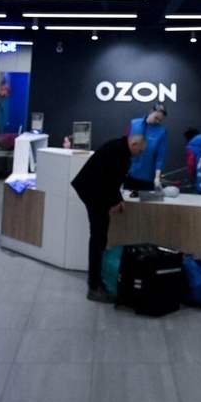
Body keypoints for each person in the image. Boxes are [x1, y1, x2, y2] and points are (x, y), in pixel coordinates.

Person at [71, 133, 147, 302]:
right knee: (98, 239)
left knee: (100, 237)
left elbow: (112, 181)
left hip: (91, 191)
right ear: (134, 144)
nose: (139, 154)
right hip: (93, 194)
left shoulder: (117, 147)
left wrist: (117, 200)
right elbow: (108, 180)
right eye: (140, 151)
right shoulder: (121, 155)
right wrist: (114, 202)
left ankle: (95, 281)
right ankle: (94, 286)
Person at [124, 103, 167, 191]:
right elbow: (124, 145)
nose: (157, 121)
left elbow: (160, 156)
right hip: (129, 173)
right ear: (151, 112)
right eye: (156, 118)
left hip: (147, 177)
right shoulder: (134, 123)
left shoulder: (161, 132)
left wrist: (157, 178)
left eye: (160, 120)